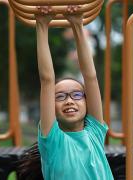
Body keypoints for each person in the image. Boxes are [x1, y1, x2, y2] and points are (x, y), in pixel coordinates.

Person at [17, 6, 114, 180]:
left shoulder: (94, 132)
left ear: (87, 102)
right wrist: (42, 25)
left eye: (76, 95)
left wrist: (77, 25)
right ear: (51, 107)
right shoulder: (53, 141)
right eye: (60, 97)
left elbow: (90, 77)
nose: (69, 101)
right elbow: (47, 80)